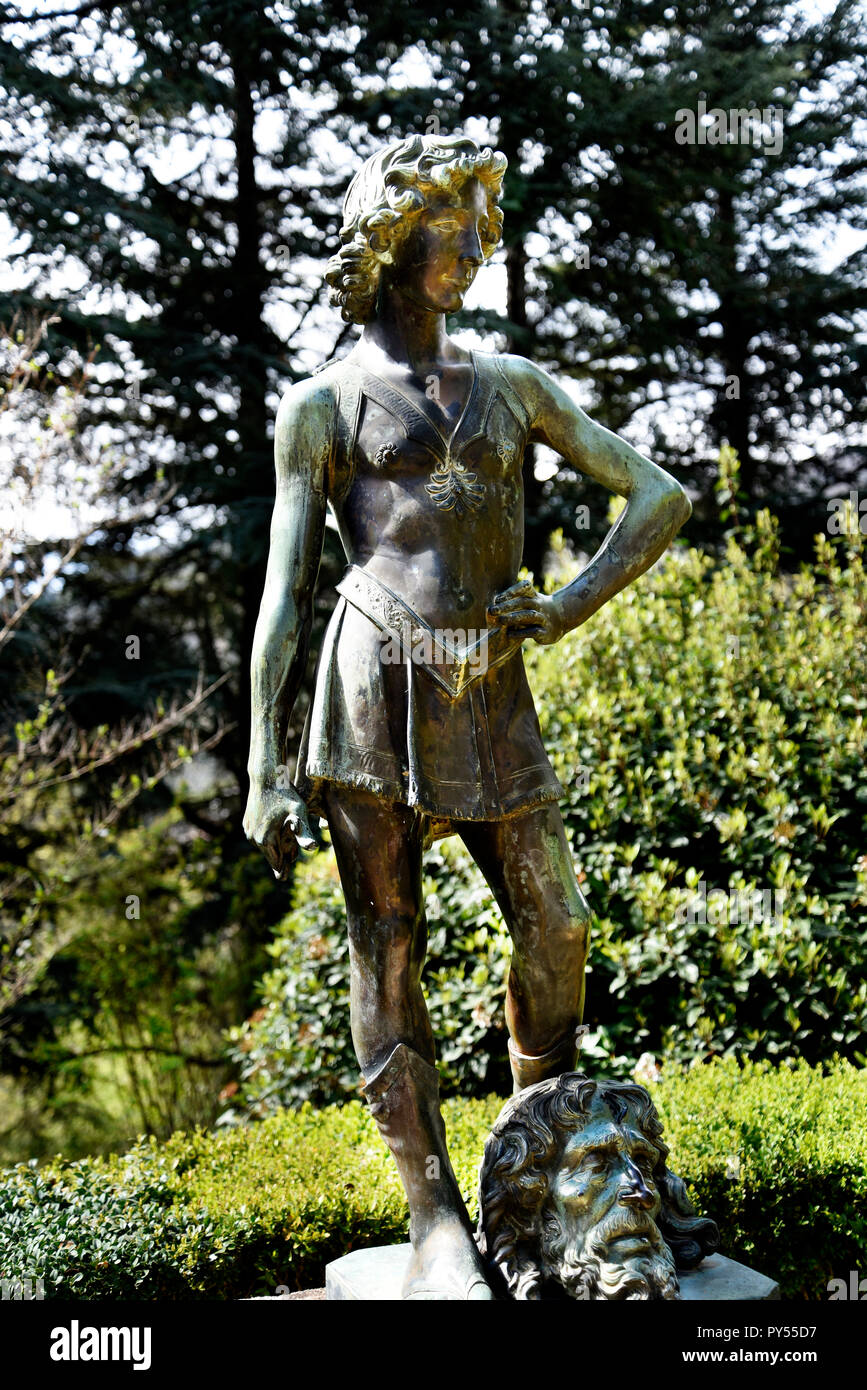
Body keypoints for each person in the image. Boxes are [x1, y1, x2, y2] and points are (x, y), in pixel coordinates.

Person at [243, 134, 692, 1300]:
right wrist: (263, 765)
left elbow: (658, 493)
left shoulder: (517, 384)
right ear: (394, 235)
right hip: (370, 691)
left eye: (487, 221)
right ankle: (434, 1208)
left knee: (560, 925)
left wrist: (567, 605)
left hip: (492, 691)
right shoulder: (322, 406)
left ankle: (541, 1163)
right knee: (387, 946)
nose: (480, 245)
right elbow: (286, 592)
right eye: (457, 220)